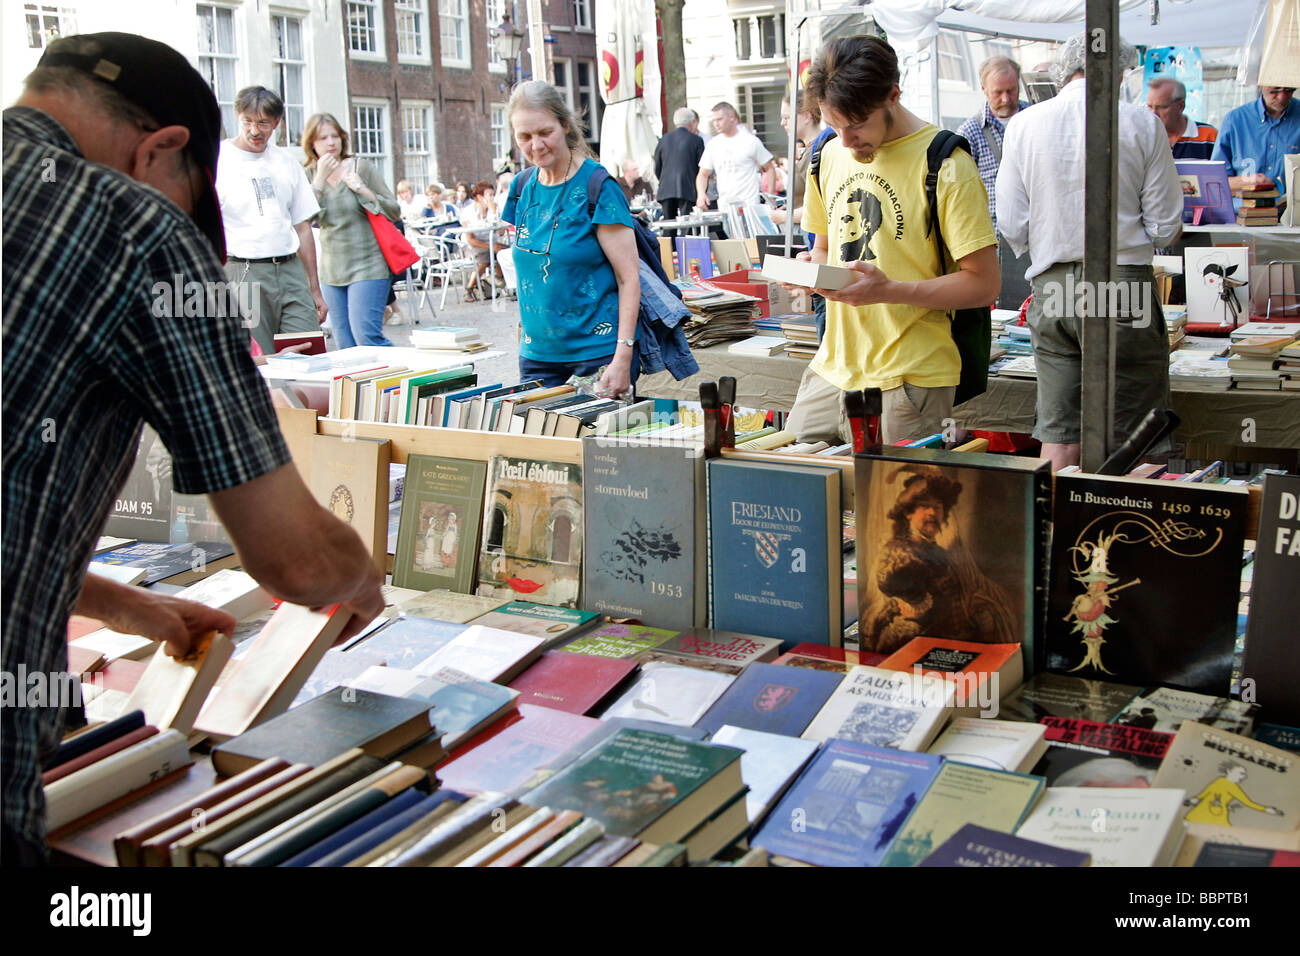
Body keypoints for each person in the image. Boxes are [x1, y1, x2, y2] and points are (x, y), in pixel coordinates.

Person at [2, 32, 385, 865]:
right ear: (164, 147)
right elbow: (296, 562)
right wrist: (361, 577)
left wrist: (126, 607)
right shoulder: (129, 225)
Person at [783, 36, 1000, 445]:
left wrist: (889, 290)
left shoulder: (947, 163)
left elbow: (984, 284)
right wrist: (813, 273)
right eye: (833, 125)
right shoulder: (826, 152)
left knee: (895, 508)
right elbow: (825, 247)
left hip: (911, 377)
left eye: (857, 124)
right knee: (794, 495)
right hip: (831, 366)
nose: (846, 140)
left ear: (892, 96)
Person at [996, 33, 1182, 472]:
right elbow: (1165, 225)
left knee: (1059, 437)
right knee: (1137, 439)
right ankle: (1128, 537)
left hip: (1054, 286)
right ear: (1119, 73)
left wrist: (1046, 243)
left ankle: (1053, 537)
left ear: (1064, 72)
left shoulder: (1024, 124)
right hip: (1124, 288)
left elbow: (1011, 223)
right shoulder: (1141, 122)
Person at [502, 80, 640, 396]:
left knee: (601, 445)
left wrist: (623, 357)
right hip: (537, 358)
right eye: (524, 136)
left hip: (597, 355)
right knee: (544, 443)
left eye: (544, 132)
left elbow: (628, 278)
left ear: (564, 124)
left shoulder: (597, 187)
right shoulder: (521, 188)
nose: (535, 145)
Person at [216, 85, 327, 355]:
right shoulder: (218, 159)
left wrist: (314, 288)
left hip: (290, 269)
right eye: (248, 122)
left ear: (277, 123)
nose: (255, 131)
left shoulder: (286, 162)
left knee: (308, 353)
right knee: (258, 360)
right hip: (242, 271)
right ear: (237, 118)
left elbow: (302, 228)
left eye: (263, 123)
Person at [860, 465, 1017, 653]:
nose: (932, 513)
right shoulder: (897, 550)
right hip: (918, 628)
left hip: (946, 626)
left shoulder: (939, 549)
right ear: (909, 513)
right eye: (925, 506)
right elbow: (908, 601)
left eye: (938, 507)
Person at [302, 111, 401, 347]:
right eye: (323, 138)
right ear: (311, 144)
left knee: (366, 337)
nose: (330, 143)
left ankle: (408, 378)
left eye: (334, 136)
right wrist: (319, 182)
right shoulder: (308, 175)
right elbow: (303, 220)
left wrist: (363, 190)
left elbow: (394, 210)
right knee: (345, 345)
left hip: (368, 265)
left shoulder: (359, 167)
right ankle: (361, 386)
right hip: (331, 271)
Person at [956, 56, 1030, 237]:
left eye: (1011, 90)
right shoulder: (970, 132)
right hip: (994, 234)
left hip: (1037, 232)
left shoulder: (1034, 118)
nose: (1006, 99)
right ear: (984, 89)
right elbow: (960, 191)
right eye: (998, 92)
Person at [1212, 84, 1300, 194]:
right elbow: (1214, 182)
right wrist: (1247, 181)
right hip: (1243, 208)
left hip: (1290, 208)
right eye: (1274, 91)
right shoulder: (1235, 120)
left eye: (1289, 90)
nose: (1282, 97)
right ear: (1260, 85)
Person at [695, 101, 775, 213]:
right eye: (714, 120)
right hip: (725, 206)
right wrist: (701, 194)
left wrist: (770, 197)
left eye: (719, 119)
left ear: (732, 117)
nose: (716, 124)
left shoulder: (750, 141)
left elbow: (770, 168)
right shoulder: (713, 144)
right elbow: (703, 174)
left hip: (749, 205)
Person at [1146, 77, 1217, 160]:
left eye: (1162, 107)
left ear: (1180, 106)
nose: (1154, 113)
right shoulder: (1142, 138)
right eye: (1149, 107)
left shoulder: (1209, 137)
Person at [460, 180, 509, 301]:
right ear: (479, 197)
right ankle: (469, 289)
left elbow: (501, 232)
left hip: (493, 242)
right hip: (474, 245)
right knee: (485, 258)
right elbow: (470, 239)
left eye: (493, 194)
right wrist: (491, 246)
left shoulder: (494, 210)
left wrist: (494, 212)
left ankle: (496, 280)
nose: (493, 198)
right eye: (489, 195)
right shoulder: (468, 212)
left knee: (506, 253)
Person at [654, 107, 705, 220]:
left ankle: (669, 238)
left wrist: (663, 180)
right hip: (688, 187)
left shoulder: (663, 140)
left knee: (668, 225)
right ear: (692, 123)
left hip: (666, 188)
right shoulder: (696, 140)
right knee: (688, 226)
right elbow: (701, 167)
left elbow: (657, 166)